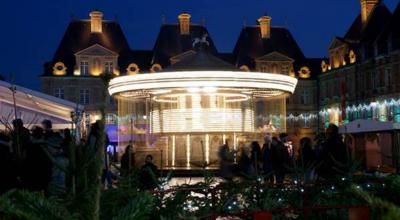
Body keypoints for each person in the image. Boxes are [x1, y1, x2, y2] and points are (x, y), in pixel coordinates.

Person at [22, 126, 52, 192]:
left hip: (33, 174)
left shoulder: (29, 147)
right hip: (43, 173)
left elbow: (25, 160)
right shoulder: (47, 146)